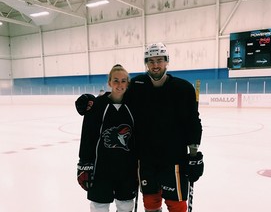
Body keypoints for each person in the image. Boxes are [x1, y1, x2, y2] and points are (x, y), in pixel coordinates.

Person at [76, 43, 204, 212]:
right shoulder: (137, 85)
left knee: (177, 204)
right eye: (151, 61)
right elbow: (116, 94)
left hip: (174, 158)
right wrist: (90, 101)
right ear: (146, 63)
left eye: (159, 60)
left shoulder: (183, 88)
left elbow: (193, 121)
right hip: (146, 159)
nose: (155, 65)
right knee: (151, 202)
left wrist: (194, 152)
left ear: (167, 62)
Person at [76, 64, 138, 212]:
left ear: (128, 83)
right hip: (101, 169)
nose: (119, 84)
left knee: (126, 206)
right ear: (109, 82)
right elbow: (88, 137)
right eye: (115, 80)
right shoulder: (97, 106)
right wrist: (84, 164)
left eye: (123, 81)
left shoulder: (134, 106)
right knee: (99, 207)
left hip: (127, 169)